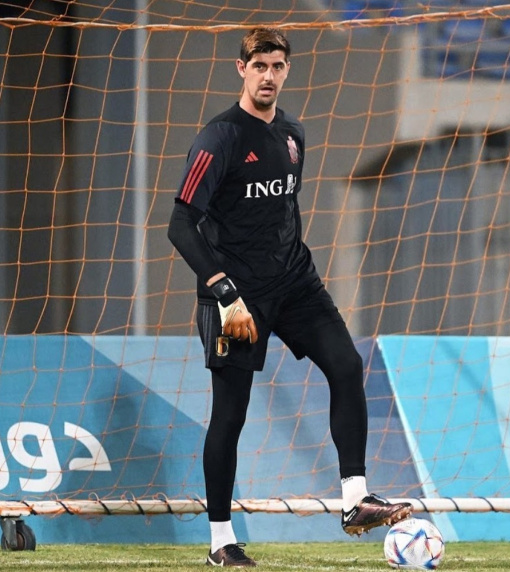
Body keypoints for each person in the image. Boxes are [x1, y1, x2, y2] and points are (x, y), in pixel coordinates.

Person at [167, 27, 412, 567]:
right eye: (260, 66)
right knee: (230, 415)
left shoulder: (293, 134)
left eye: (278, 66)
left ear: (286, 70)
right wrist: (224, 291)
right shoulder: (219, 139)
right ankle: (220, 542)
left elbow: (282, 214)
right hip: (235, 294)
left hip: (294, 282)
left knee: (347, 366)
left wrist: (296, 273)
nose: (269, 76)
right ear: (241, 69)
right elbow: (181, 224)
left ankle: (354, 501)